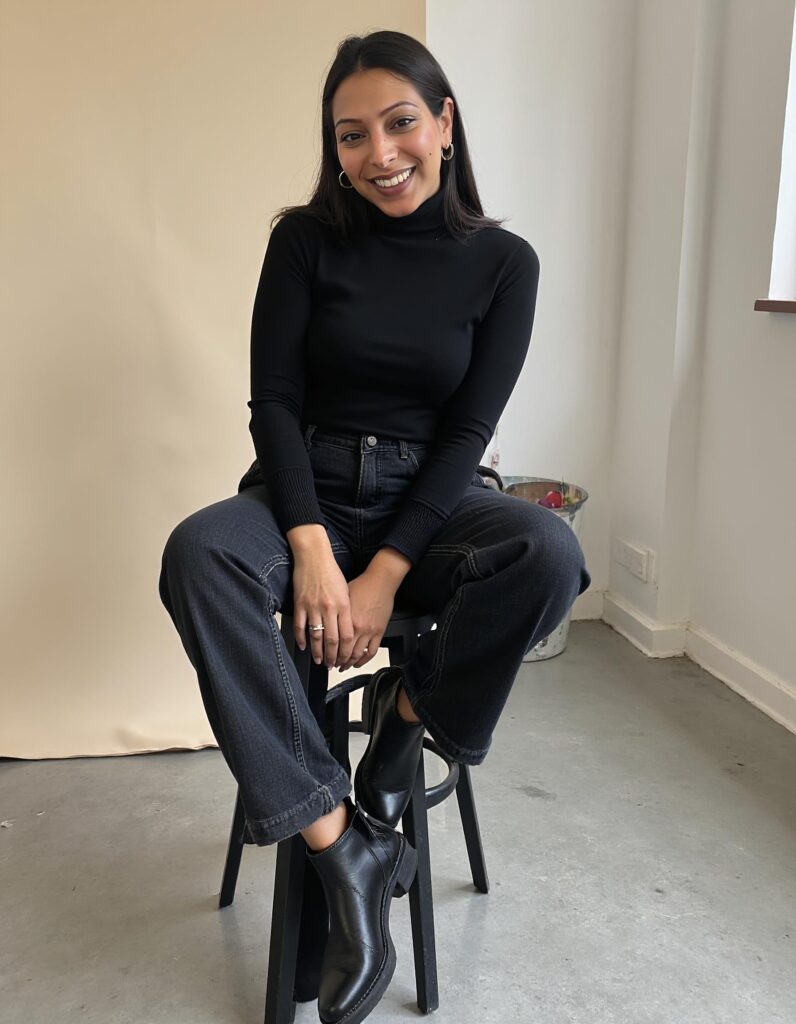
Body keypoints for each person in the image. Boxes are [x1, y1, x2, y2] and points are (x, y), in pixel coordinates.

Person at [158, 29, 591, 1024]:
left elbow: (468, 433)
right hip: (302, 484)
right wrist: (311, 545)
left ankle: (402, 726)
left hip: (427, 498)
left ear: (444, 123)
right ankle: (342, 845)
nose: (379, 153)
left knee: (547, 551)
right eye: (350, 135)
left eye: (400, 123)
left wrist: (385, 572)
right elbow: (273, 402)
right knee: (200, 553)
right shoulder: (304, 241)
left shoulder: (504, 263)